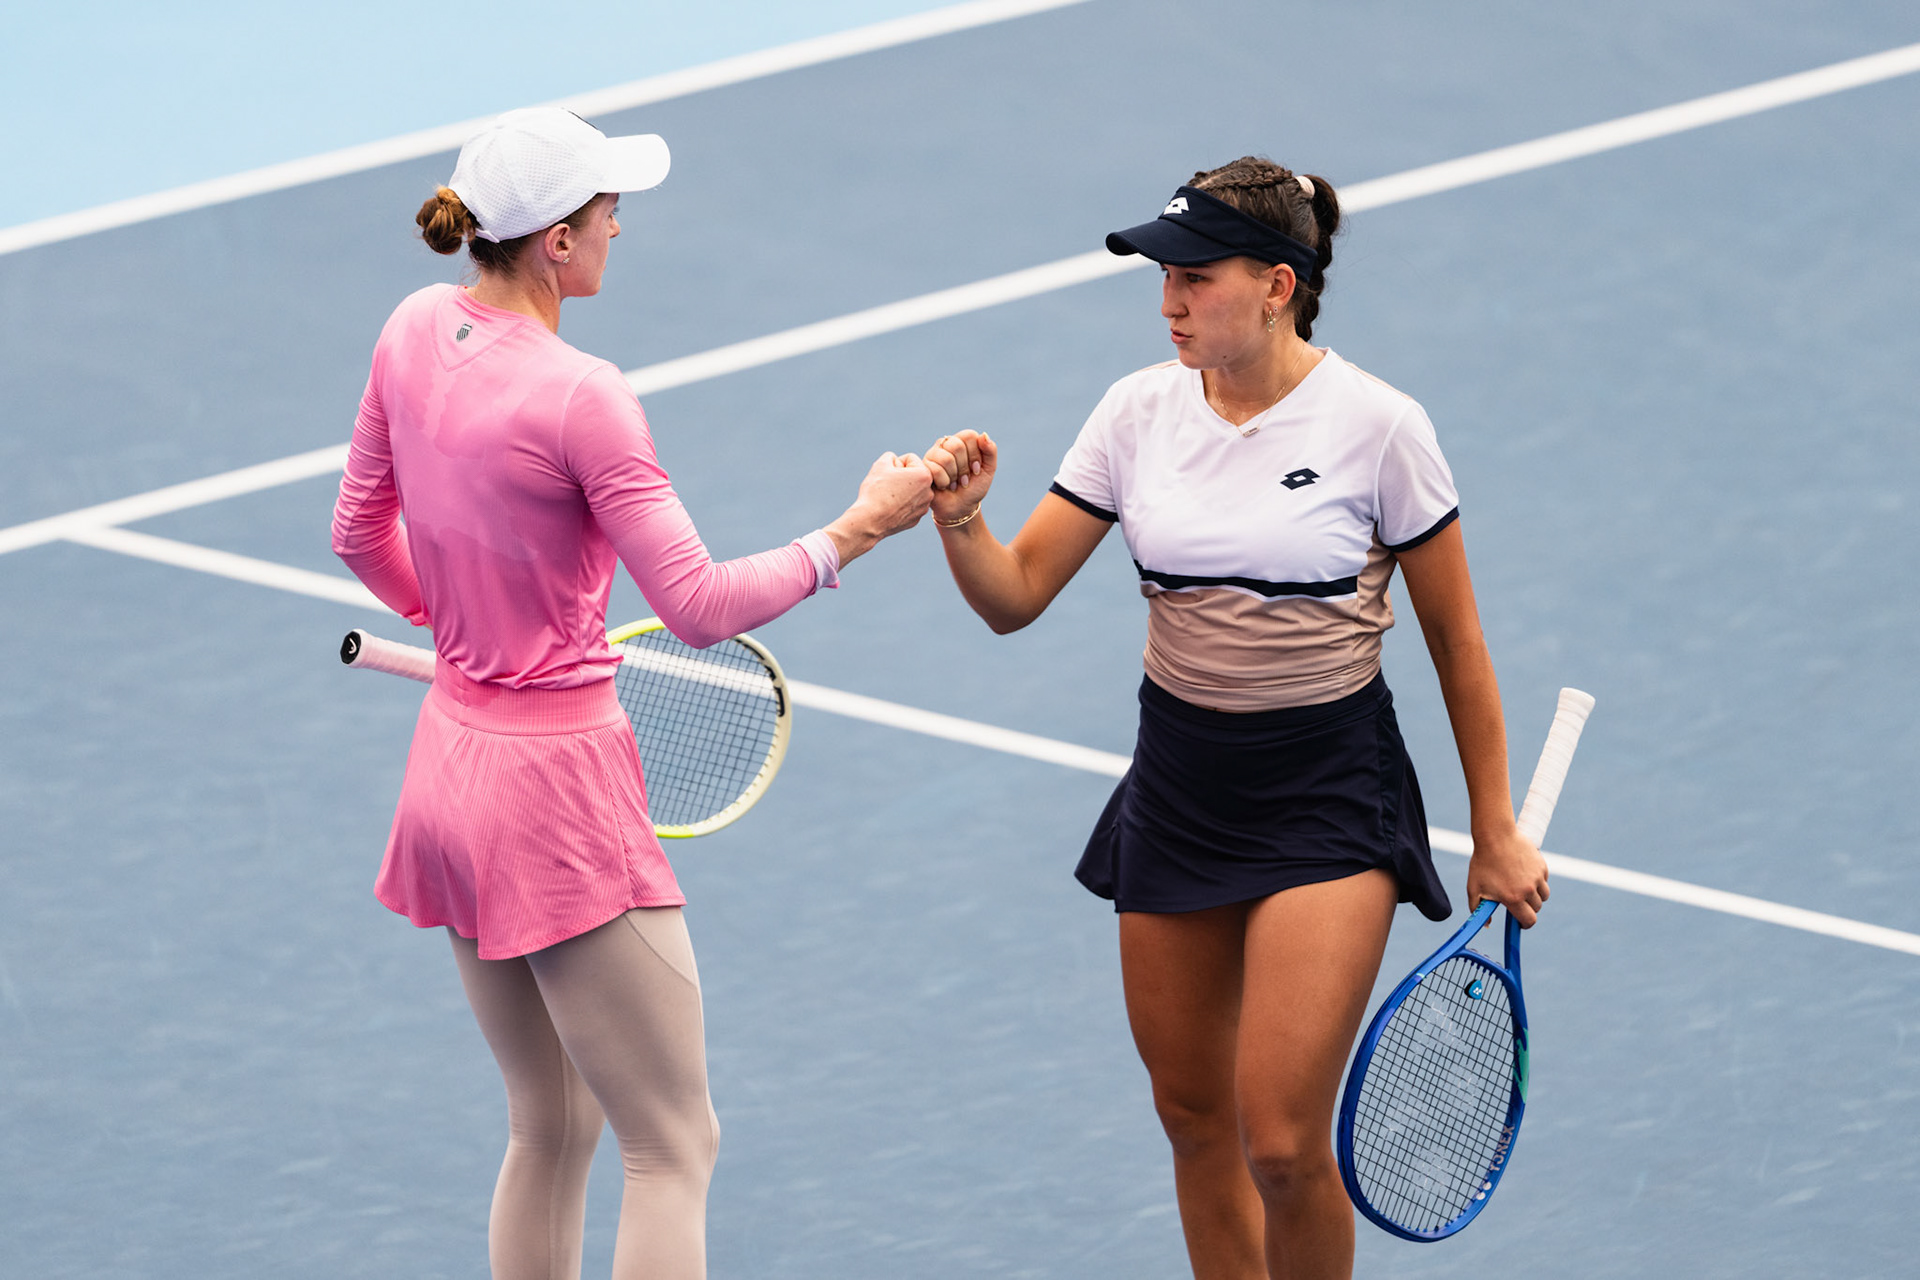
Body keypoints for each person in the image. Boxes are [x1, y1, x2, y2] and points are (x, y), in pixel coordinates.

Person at [917, 157, 1550, 1279]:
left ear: (1277, 286)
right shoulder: (1135, 412)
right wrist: (964, 524)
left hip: (1327, 795)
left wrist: (1493, 827)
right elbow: (1015, 597)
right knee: (1194, 1119)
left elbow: (1459, 643)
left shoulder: (1380, 427)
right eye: (1163, 277)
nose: (1169, 302)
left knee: (1286, 1145)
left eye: (1195, 278)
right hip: (1179, 790)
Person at [330, 107, 931, 1280]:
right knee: (673, 1143)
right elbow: (698, 604)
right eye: (608, 208)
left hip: (449, 770)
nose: (621, 224)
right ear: (557, 239)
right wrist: (856, 530)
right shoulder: (583, 395)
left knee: (550, 1124)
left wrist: (464, 622)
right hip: (553, 798)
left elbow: (358, 531)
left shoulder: (411, 327)